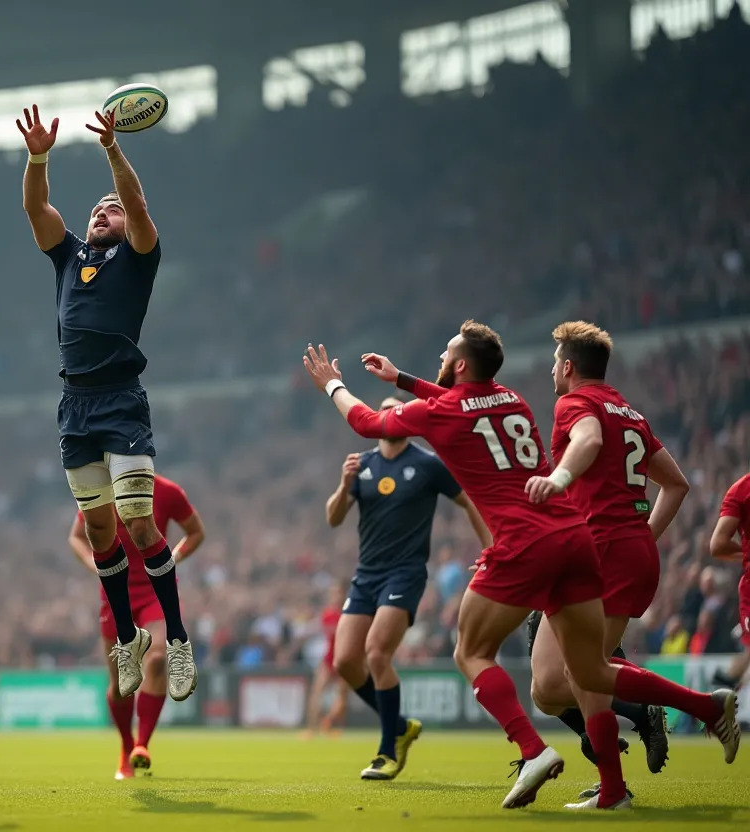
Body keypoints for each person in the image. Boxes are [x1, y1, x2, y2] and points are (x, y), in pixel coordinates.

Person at [302, 322, 739, 811]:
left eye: (446, 353)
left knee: (470, 652)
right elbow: (462, 406)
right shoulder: (513, 399)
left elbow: (366, 422)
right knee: (588, 671)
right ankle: (703, 707)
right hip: (574, 538)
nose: (441, 360)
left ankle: (532, 751)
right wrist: (401, 379)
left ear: (460, 365)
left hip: (525, 543)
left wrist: (332, 386)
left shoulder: (487, 408)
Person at [18, 103, 195, 700]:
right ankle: (128, 638)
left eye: (110, 209)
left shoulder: (139, 257)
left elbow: (139, 208)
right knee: (99, 531)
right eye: (96, 208)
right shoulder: (68, 256)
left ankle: (175, 640)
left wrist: (114, 150)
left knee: (140, 524)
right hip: (74, 406)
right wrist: (38, 156)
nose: (102, 212)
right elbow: (36, 208)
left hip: (121, 402)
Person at [523, 322, 681, 796]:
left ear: (568, 366)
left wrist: (560, 478)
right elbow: (677, 484)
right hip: (622, 552)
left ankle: (615, 786)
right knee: (549, 687)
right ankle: (639, 715)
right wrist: (644, 537)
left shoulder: (576, 404)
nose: (553, 369)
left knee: (579, 676)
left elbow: (588, 440)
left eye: (555, 362)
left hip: (602, 554)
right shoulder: (628, 412)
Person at [324, 396, 491, 780]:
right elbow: (334, 518)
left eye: (398, 411)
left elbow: (471, 502)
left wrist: (490, 548)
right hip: (366, 575)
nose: (391, 417)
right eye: (385, 411)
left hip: (406, 574)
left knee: (377, 653)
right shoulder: (362, 465)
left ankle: (387, 751)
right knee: (346, 662)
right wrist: (344, 483)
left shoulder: (428, 464)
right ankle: (399, 725)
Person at [67, 474, 204, 780]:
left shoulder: (167, 491)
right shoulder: (100, 490)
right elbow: (75, 536)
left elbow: (196, 532)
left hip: (155, 592)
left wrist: (173, 557)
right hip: (115, 595)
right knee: (120, 685)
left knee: (156, 659)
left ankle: (141, 745)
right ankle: (126, 747)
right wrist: (94, 565)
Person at [711, 473, 750, 690]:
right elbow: (717, 545)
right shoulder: (742, 491)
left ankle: (717, 700)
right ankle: (719, 697)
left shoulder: (741, 490)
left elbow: (718, 545)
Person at [303, 584, 347, 739]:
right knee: (317, 693)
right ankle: (311, 729)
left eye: (337, 593)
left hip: (345, 660)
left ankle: (331, 724)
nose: (335, 596)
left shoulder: (351, 614)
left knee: (342, 696)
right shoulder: (328, 614)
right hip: (329, 660)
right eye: (333, 593)